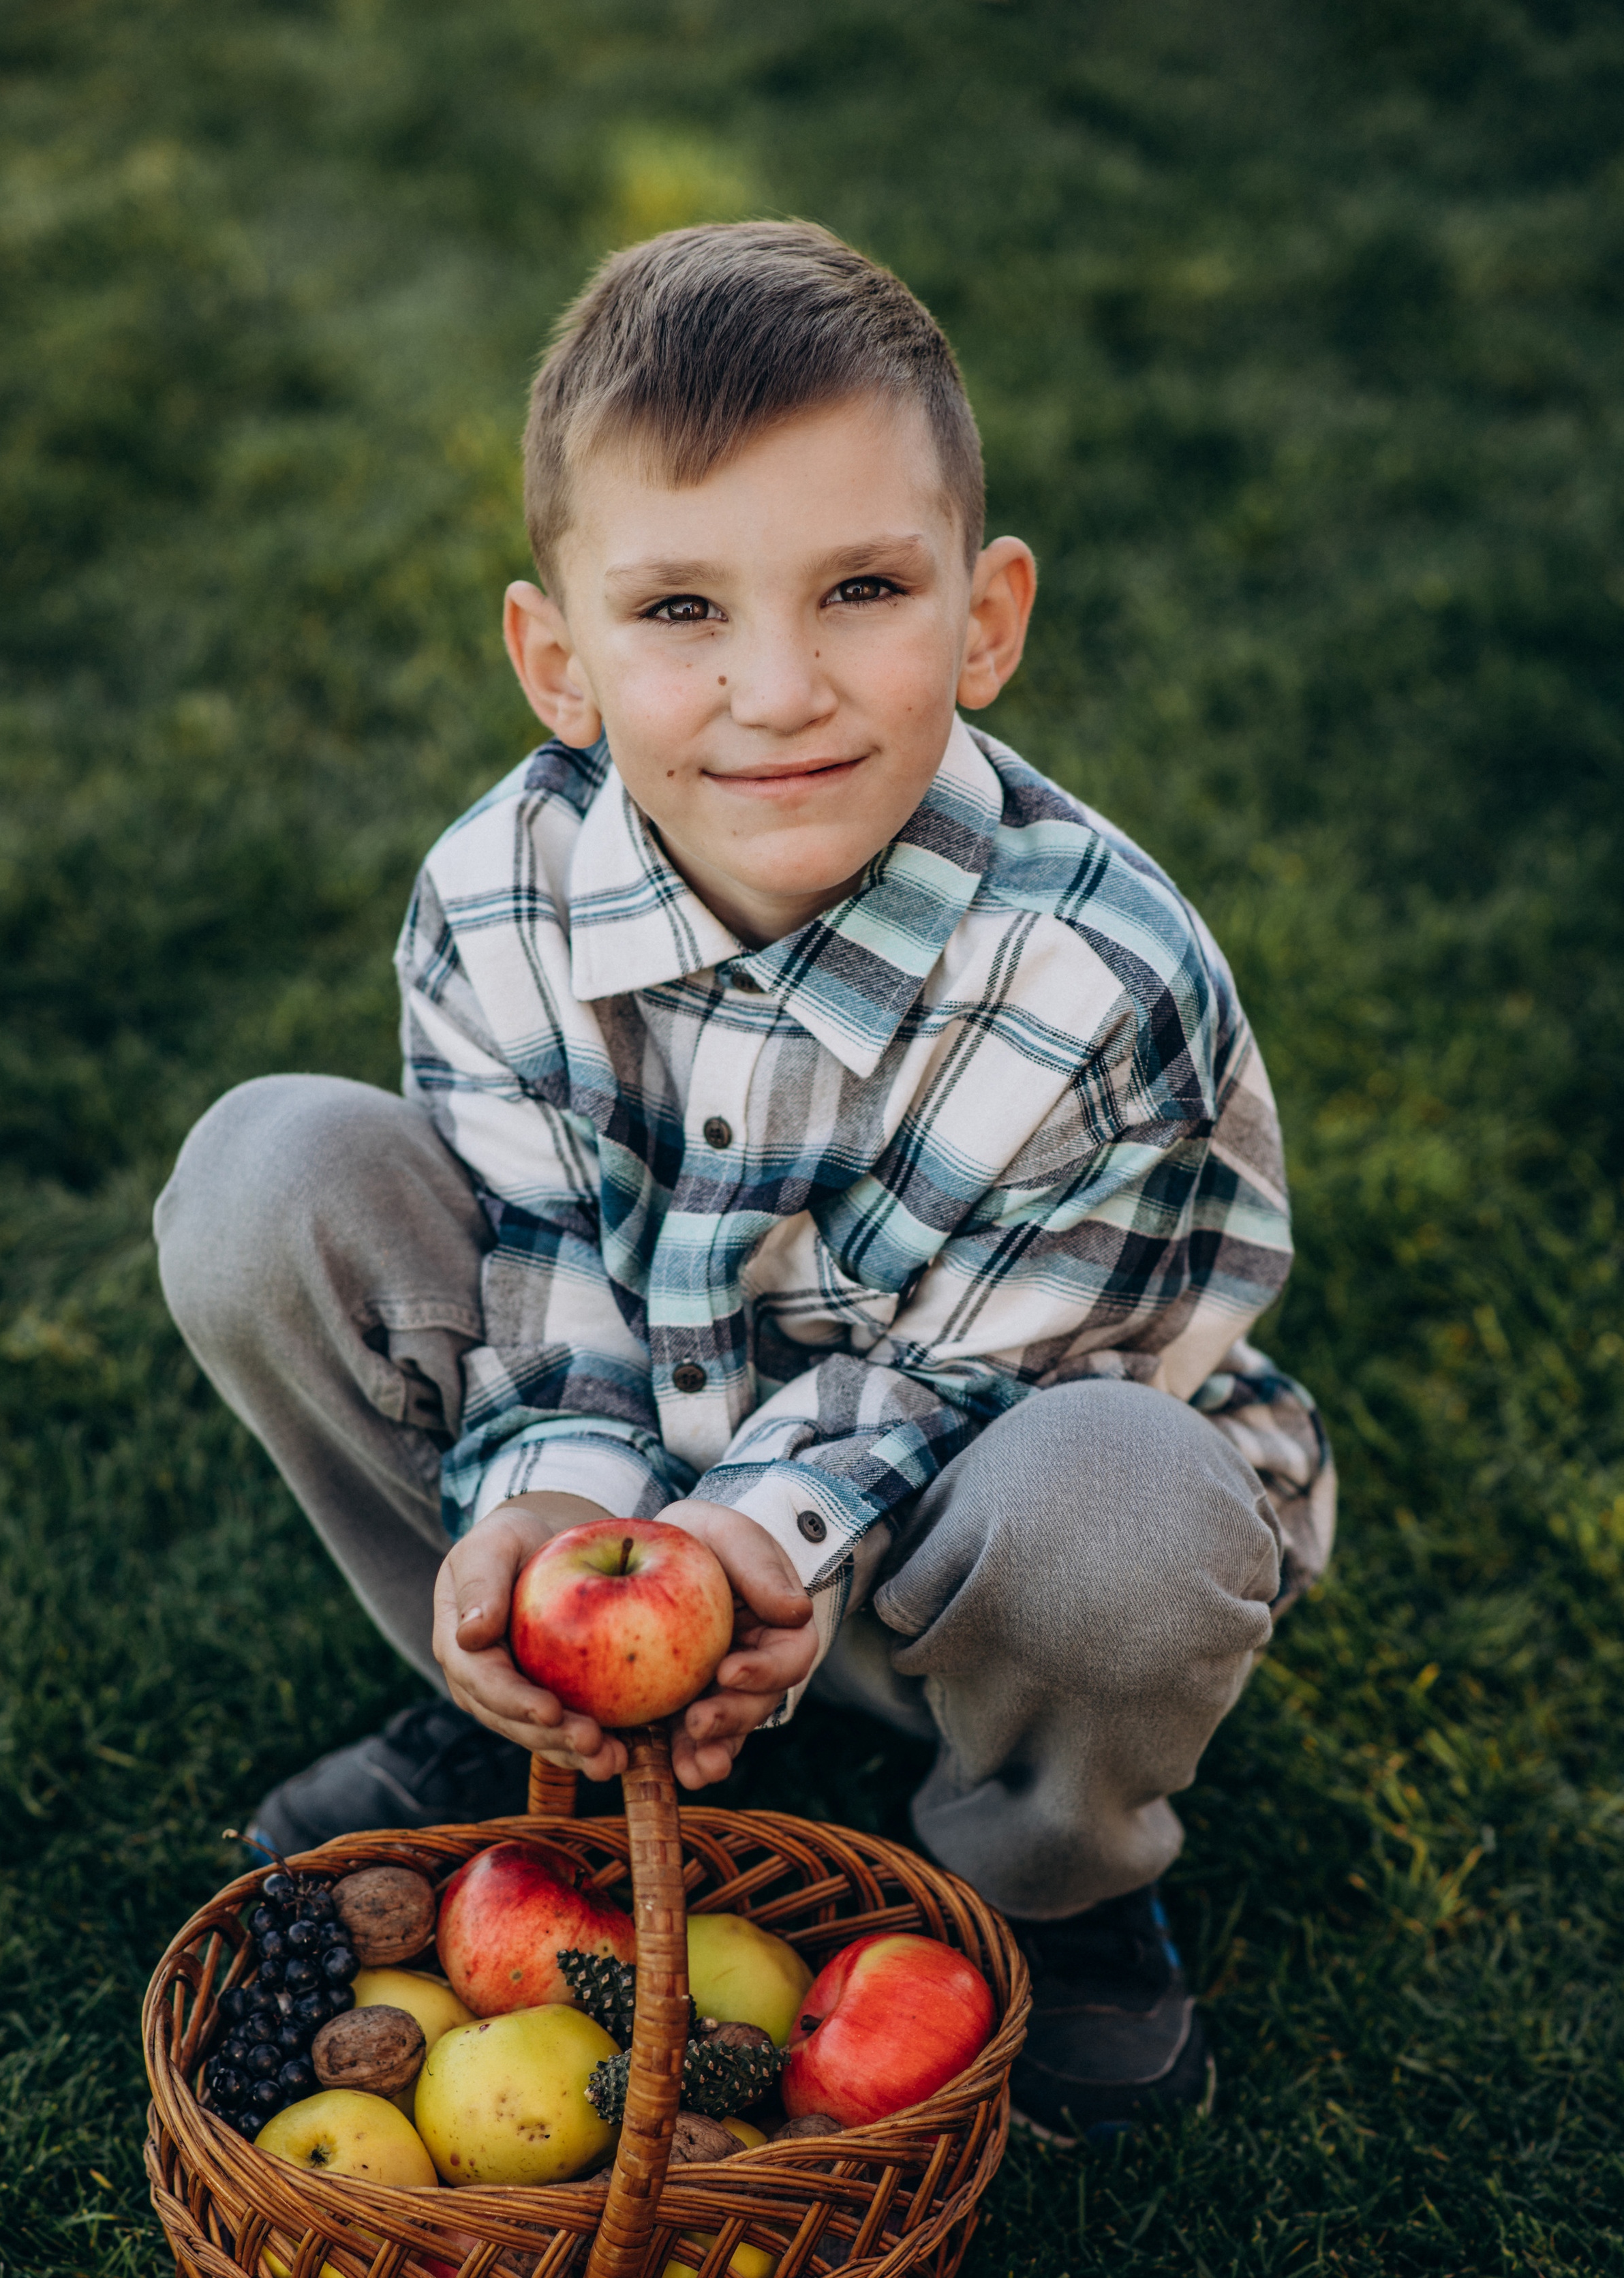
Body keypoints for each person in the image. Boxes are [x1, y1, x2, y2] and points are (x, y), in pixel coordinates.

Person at [155, 221, 1334, 2145]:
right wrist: (546, 1516)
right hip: (652, 1523)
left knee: (1128, 1502)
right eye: (683, 612)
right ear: (557, 659)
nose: (779, 689)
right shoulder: (494, 899)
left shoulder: (1099, 973)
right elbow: (537, 1266)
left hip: (971, 1545)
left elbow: (978, 1377)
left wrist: (763, 1553)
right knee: (263, 1176)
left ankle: (1060, 1874)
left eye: (860, 588)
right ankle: (513, 1701)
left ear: (985, 615)